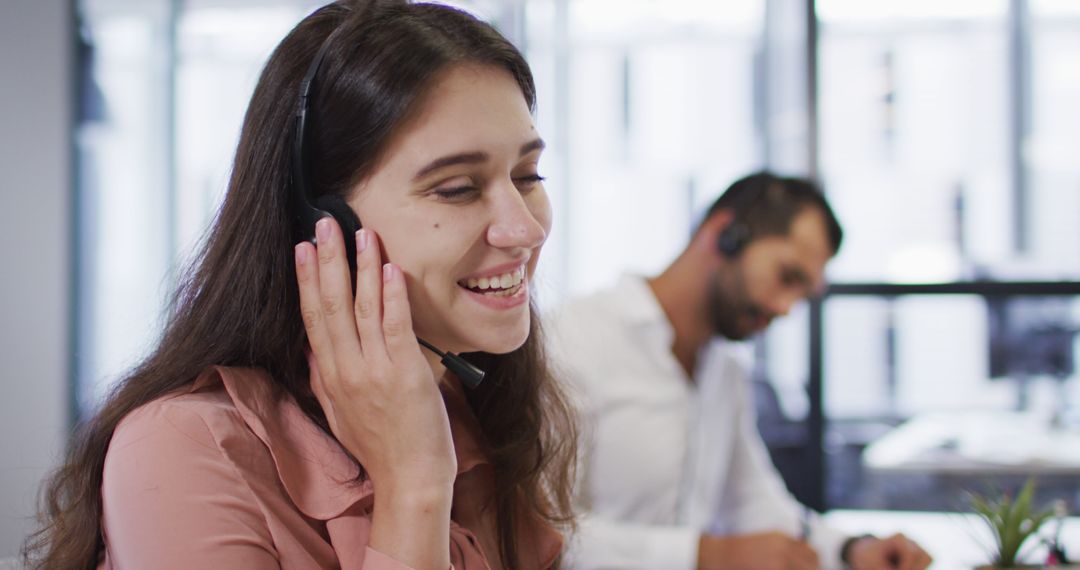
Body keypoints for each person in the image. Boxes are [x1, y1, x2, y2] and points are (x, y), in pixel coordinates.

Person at [24, 1, 578, 569]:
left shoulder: (472, 409)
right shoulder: (180, 450)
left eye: (526, 176)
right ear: (322, 224)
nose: (525, 228)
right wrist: (412, 489)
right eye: (458, 187)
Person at [547, 172, 933, 570]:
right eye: (788, 277)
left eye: (803, 293)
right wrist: (706, 556)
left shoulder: (725, 371)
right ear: (724, 235)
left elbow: (754, 502)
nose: (787, 309)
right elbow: (538, 534)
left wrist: (851, 550)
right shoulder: (575, 341)